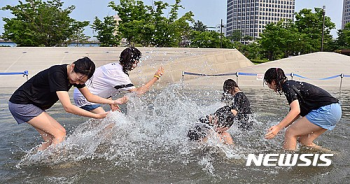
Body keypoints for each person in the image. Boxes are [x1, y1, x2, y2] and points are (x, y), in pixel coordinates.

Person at [8, 57, 124, 151]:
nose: (77, 83)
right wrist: (97, 116)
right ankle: (55, 166)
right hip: (22, 104)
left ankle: (34, 161)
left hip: (31, 105)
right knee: (60, 133)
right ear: (72, 66)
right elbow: (68, 107)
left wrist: (112, 101)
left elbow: (90, 97)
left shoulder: (76, 76)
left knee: (51, 140)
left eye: (81, 82)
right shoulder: (58, 74)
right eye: (78, 79)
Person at [263, 68, 342, 151]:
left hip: (326, 110)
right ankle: (332, 154)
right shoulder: (292, 85)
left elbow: (296, 111)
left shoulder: (287, 87)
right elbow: (296, 114)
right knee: (305, 141)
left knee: (290, 133)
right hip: (335, 110)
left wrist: (278, 128)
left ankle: (288, 161)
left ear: (273, 82)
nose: (269, 86)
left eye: (267, 83)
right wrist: (280, 128)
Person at [73, 47, 164, 113]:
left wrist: (112, 104)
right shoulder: (118, 74)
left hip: (82, 93)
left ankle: (88, 137)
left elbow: (102, 86)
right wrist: (156, 77)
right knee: (112, 121)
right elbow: (138, 92)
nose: (138, 63)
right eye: (137, 61)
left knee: (106, 120)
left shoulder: (114, 67)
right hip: (84, 98)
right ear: (133, 61)